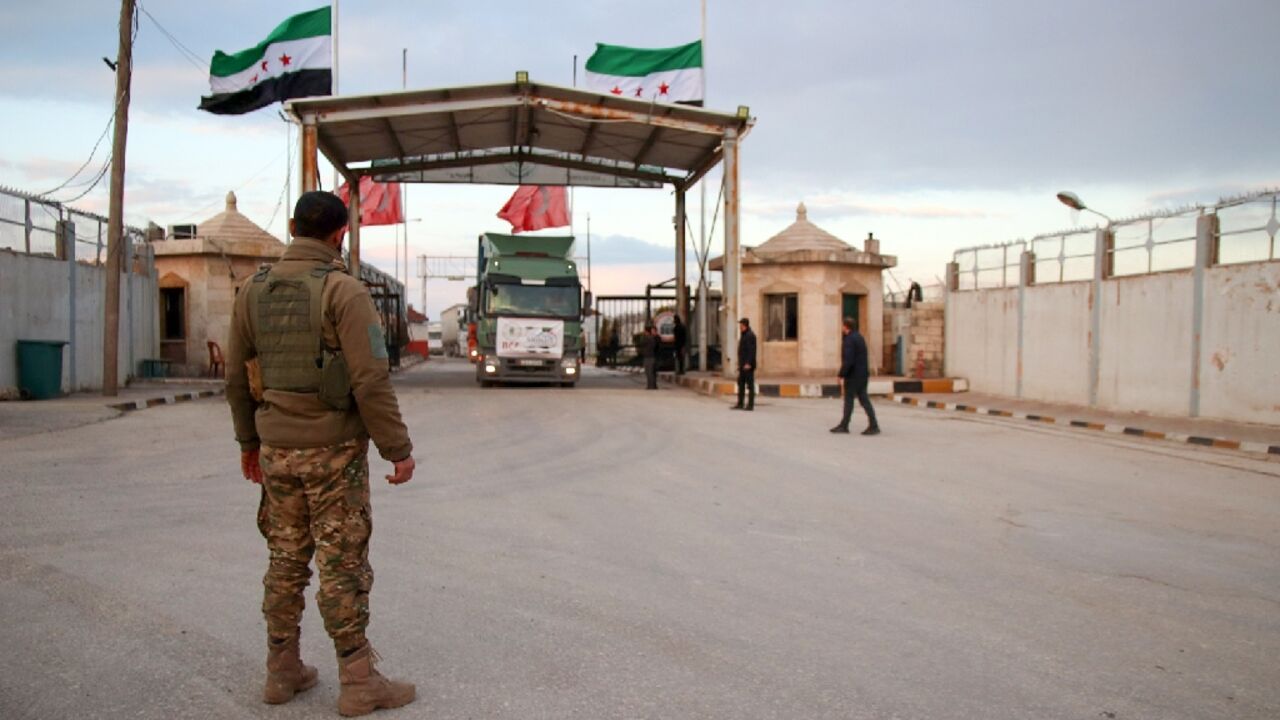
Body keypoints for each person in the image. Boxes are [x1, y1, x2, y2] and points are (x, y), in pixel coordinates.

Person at [226, 191, 418, 716]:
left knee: (285, 559)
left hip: (276, 451)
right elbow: (370, 378)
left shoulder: (252, 291)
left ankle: (281, 671)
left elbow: (235, 377)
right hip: (332, 451)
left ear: (292, 226)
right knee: (342, 564)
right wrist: (396, 448)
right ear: (341, 235)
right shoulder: (343, 290)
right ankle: (358, 682)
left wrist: (249, 443)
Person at [831, 316, 881, 435]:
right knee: (864, 399)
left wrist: (841, 374)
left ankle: (844, 425)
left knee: (849, 400)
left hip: (853, 376)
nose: (841, 327)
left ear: (846, 326)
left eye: (842, 325)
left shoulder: (849, 340)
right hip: (863, 374)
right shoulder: (859, 337)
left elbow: (848, 360)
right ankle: (873, 424)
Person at [731, 317, 756, 411]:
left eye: (741, 325)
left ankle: (750, 405)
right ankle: (740, 403)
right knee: (741, 384)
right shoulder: (744, 335)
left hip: (748, 365)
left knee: (750, 385)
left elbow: (751, 351)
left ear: (745, 325)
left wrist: (748, 363)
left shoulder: (750, 335)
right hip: (743, 365)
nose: (740, 327)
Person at [639, 322, 659, 389]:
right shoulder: (652, 338)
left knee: (649, 372)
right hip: (651, 356)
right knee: (650, 372)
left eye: (644, 331)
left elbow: (641, 343)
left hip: (648, 356)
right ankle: (652, 385)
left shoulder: (647, 338)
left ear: (646, 331)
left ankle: (650, 386)